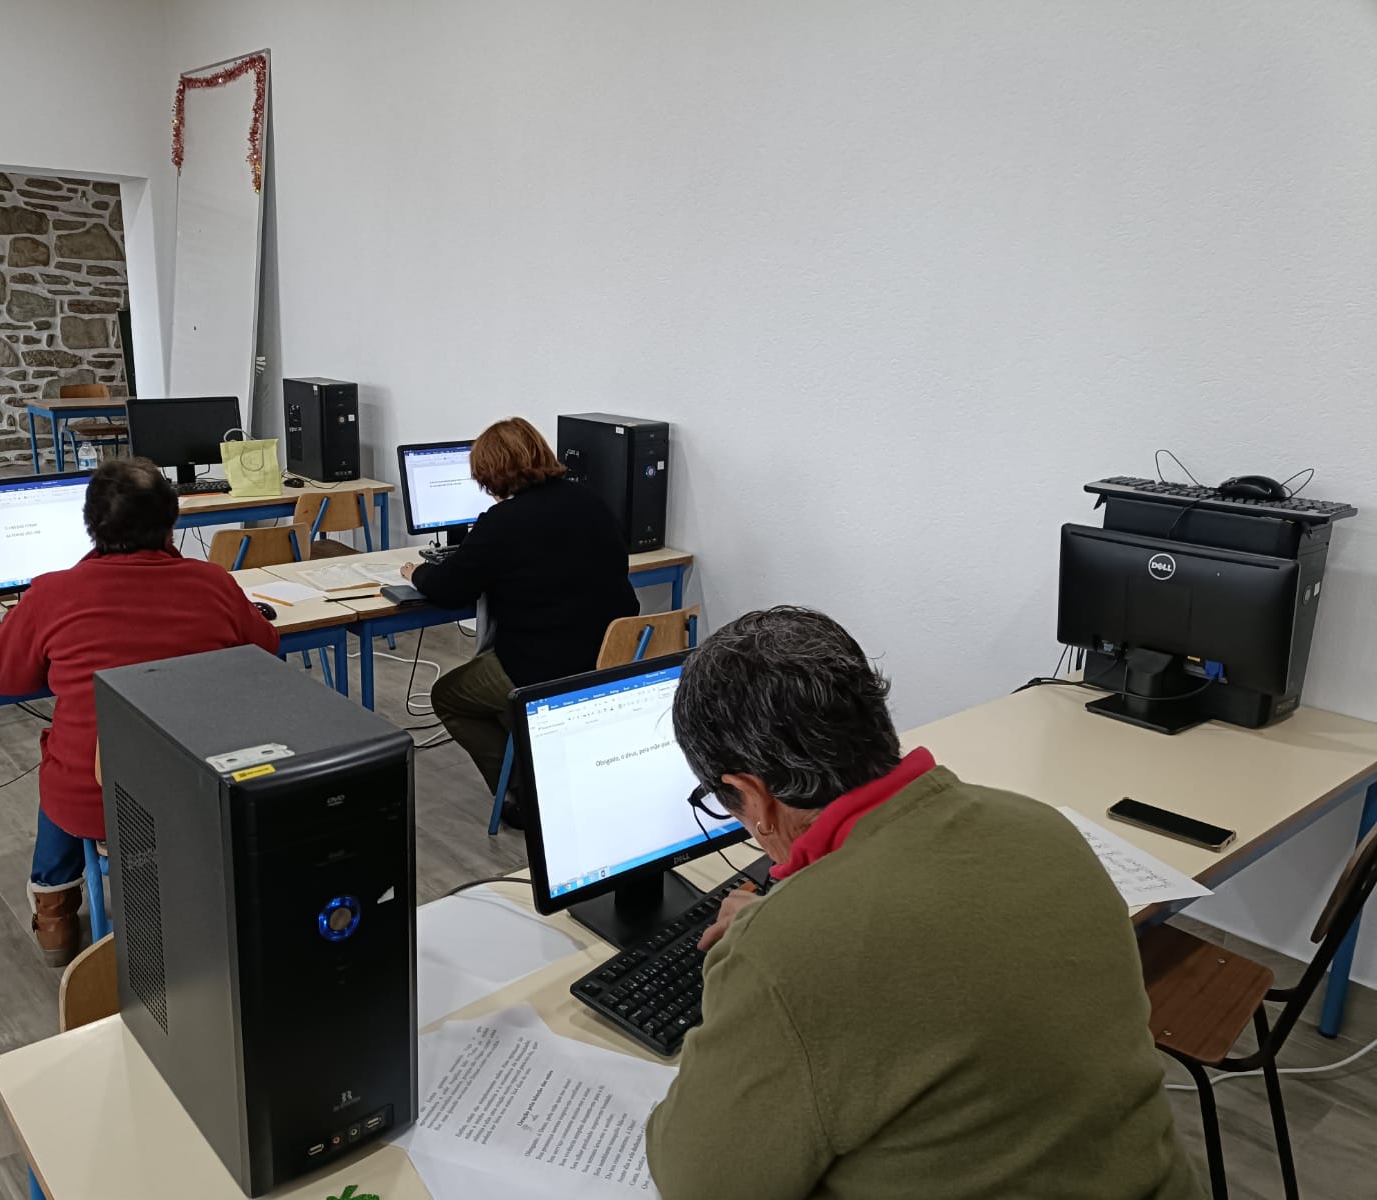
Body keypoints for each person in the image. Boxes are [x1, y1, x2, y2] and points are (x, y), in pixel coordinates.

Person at [647, 606, 1203, 1200]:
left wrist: (754, 953)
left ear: (753, 797)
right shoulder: (1044, 827)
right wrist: (780, 923)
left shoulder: (786, 952)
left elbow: (696, 1183)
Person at [0, 458, 279, 966]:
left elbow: (2, 677)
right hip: (201, 788)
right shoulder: (213, 583)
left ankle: (54, 911)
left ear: (90, 524)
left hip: (95, 800)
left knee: (71, 752)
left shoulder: (52, 592)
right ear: (172, 520)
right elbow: (265, 648)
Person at [401, 417, 637, 827]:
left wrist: (416, 572)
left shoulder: (502, 522)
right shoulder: (591, 502)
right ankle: (550, 764)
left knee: (448, 696)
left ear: (492, 475)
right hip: (611, 660)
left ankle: (524, 795)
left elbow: (450, 589)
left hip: (544, 670)